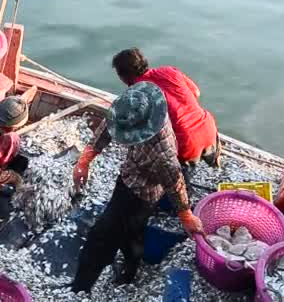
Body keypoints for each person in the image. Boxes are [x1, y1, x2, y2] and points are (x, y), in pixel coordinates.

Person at [71, 82, 203, 293]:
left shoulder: (162, 152)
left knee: (101, 238)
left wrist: (186, 215)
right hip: (129, 178)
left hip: (140, 194)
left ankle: (80, 288)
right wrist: (84, 160)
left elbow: (174, 180)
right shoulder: (142, 103)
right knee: (132, 233)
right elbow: (109, 123)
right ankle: (130, 270)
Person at [101, 48, 221, 182]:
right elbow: (196, 92)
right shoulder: (169, 71)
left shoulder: (137, 95)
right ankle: (215, 163)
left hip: (186, 145)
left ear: (123, 76)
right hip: (209, 129)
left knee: (175, 181)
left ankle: (183, 188)